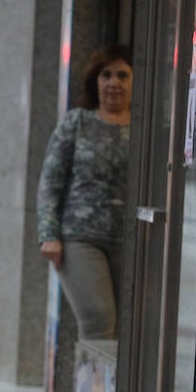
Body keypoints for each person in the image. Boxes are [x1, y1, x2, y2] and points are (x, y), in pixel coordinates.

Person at [36, 44, 133, 340]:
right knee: (99, 321)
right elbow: (50, 181)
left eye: (122, 75)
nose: (113, 82)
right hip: (80, 238)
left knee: (131, 330)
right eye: (106, 75)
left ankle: (120, 388)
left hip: (133, 240)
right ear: (96, 82)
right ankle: (95, 388)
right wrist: (49, 234)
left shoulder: (149, 130)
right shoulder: (77, 122)